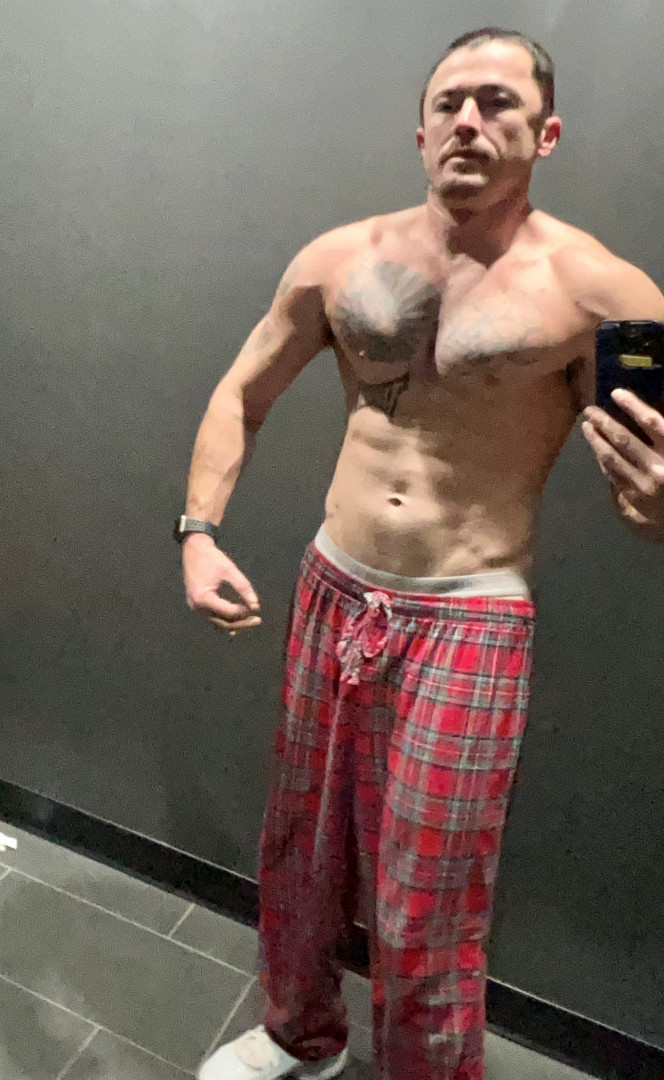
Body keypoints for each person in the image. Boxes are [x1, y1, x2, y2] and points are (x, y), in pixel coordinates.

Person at [177, 27, 664, 1080]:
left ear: (547, 132)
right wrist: (198, 532)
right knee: (301, 847)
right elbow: (241, 393)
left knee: (428, 896)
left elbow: (651, 497)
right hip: (332, 584)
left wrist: (657, 504)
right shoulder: (339, 258)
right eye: (450, 103)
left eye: (497, 102)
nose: (469, 122)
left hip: (469, 611)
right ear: (419, 131)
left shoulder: (613, 297)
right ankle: (299, 1033)